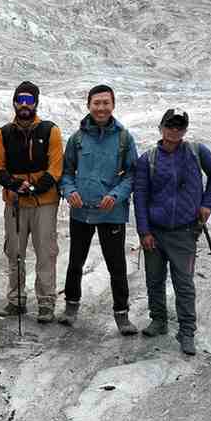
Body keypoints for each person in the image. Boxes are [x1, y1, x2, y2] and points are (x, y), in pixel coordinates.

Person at [132, 108, 211, 355]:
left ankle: (187, 331)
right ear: (161, 127)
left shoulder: (197, 152)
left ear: (185, 129)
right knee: (154, 279)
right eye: (170, 126)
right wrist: (144, 231)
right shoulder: (147, 159)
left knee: (184, 283)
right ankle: (159, 320)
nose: (174, 131)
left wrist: (207, 204)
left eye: (179, 127)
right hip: (155, 231)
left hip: (184, 232)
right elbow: (139, 198)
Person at [59, 85, 139, 334]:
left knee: (116, 266)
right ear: (88, 105)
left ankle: (122, 315)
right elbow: (65, 171)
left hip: (111, 212)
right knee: (75, 262)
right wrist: (69, 190)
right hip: (81, 211)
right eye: (97, 103)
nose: (101, 107)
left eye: (106, 103)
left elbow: (132, 174)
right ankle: (71, 306)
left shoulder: (124, 138)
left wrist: (116, 196)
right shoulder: (78, 138)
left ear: (113, 105)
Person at [0, 81, 64, 324]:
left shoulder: (50, 130)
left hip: (44, 202)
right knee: (15, 251)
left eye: (29, 100)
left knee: (46, 252)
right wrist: (14, 185)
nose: (24, 104)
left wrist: (33, 188)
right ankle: (16, 300)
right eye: (20, 99)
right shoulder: (3, 133)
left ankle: (46, 302)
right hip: (15, 202)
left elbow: (55, 169)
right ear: (14, 102)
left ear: (36, 103)